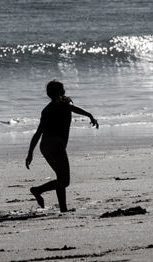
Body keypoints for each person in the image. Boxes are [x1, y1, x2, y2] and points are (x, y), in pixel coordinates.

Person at [25, 79, 99, 212]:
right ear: (61, 91)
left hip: (45, 146)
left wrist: (30, 153)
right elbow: (72, 108)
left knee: (61, 177)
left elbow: (38, 133)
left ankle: (63, 208)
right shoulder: (65, 102)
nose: (64, 91)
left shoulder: (46, 110)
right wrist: (89, 115)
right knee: (65, 181)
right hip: (56, 145)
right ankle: (37, 190)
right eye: (63, 89)